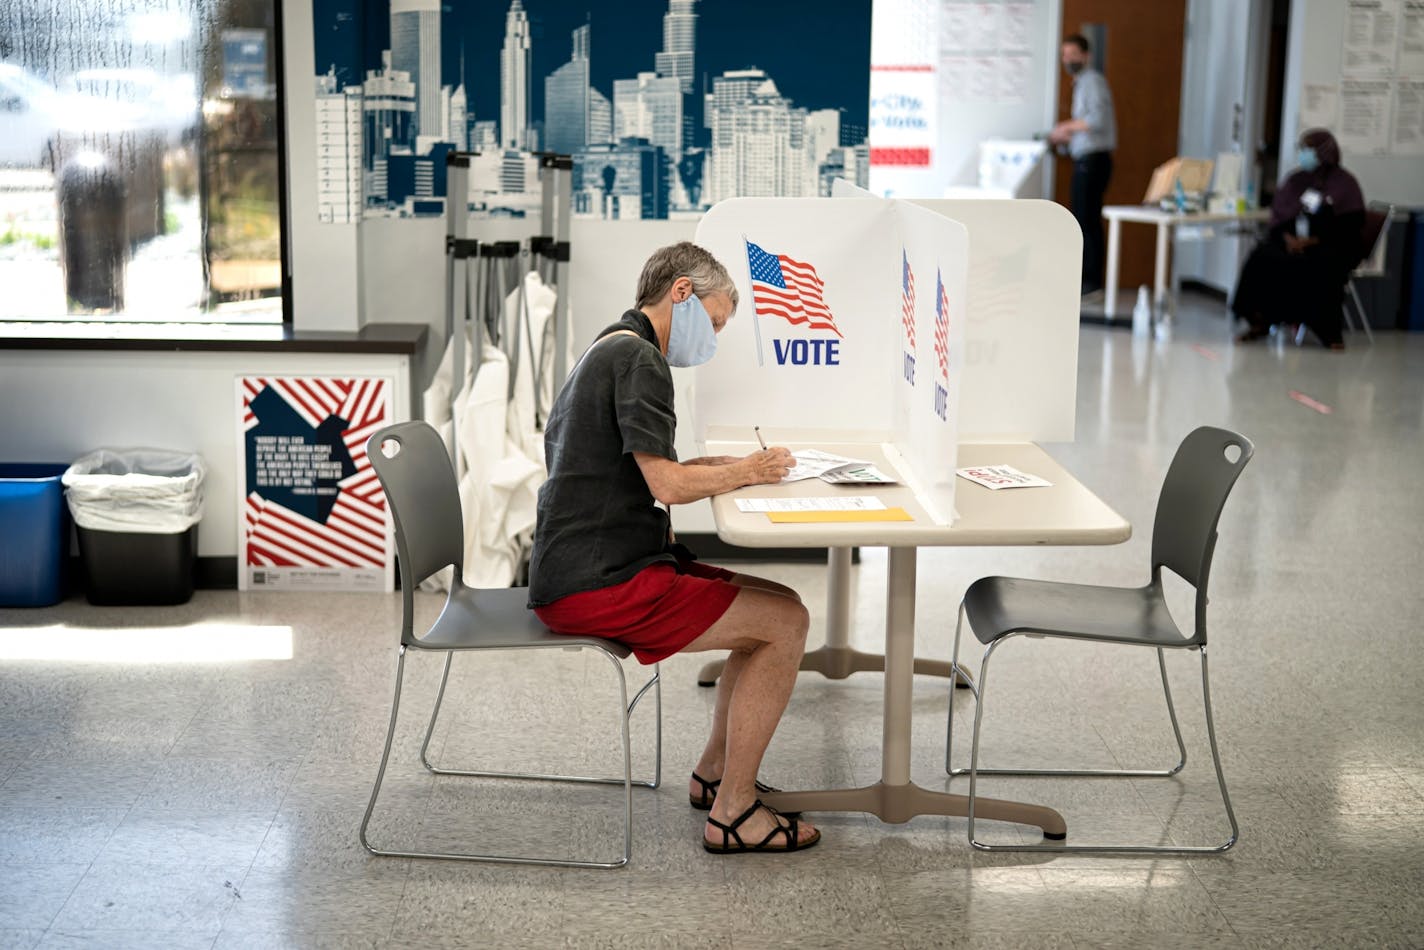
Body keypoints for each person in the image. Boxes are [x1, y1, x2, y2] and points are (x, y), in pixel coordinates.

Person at [527, 241, 821, 854]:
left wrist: (736, 466)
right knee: (786, 622)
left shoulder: (609, 346)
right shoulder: (641, 361)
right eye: (713, 323)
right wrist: (749, 473)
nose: (711, 339)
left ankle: (716, 775)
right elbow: (666, 484)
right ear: (681, 293)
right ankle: (735, 814)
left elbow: (641, 468)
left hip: (584, 563)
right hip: (598, 581)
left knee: (776, 602)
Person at [1232, 128, 1365, 349]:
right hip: (1291, 242)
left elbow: (1349, 228)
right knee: (1262, 257)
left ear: (1324, 152)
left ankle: (1327, 331)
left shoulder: (1345, 183)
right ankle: (1260, 320)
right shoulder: (1296, 179)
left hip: (1329, 245)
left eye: (1308, 150)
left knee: (1319, 266)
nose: (1303, 154)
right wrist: (1287, 238)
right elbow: (1279, 217)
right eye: (1301, 149)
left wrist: (1313, 241)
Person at [1049, 33, 1117, 296]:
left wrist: (1065, 126)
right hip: (1084, 158)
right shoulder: (1080, 83)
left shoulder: (1092, 82)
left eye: (1073, 55)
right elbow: (1085, 124)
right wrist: (1065, 138)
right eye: (1065, 55)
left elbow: (1097, 120)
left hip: (1093, 161)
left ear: (1086, 56)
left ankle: (1091, 283)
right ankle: (1087, 281)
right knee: (1083, 218)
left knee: (1086, 221)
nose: (1068, 60)